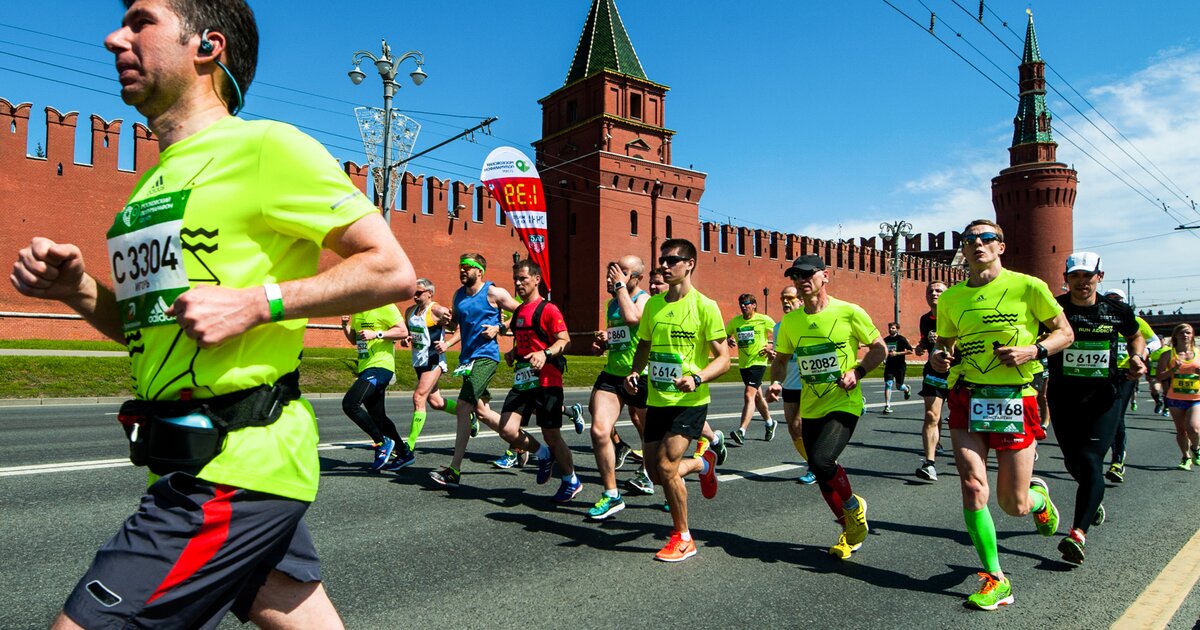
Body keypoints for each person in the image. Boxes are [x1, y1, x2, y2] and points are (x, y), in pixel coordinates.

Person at [10, 1, 416, 626]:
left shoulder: (267, 148)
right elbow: (150, 332)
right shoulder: (150, 188)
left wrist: (258, 303)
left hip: (235, 467)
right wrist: (77, 290)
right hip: (181, 457)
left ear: (208, 46)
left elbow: (391, 269)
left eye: (141, 21)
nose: (115, 38)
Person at [931, 219, 1073, 611]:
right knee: (974, 485)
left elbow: (1065, 333)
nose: (978, 244)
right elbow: (946, 344)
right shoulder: (951, 298)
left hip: (1014, 396)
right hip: (966, 395)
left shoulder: (1028, 286)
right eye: (970, 239)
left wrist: (1034, 351)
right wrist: (941, 357)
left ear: (1001, 246)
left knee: (1014, 505)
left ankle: (1039, 499)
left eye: (986, 238)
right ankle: (997, 578)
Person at [767, 255, 886, 560]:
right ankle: (850, 530)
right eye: (796, 276)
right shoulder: (791, 322)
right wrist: (776, 382)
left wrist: (857, 372)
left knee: (821, 460)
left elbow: (879, 348)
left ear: (825, 276)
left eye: (808, 274)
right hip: (812, 405)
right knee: (821, 474)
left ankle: (853, 509)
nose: (801, 280)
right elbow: (781, 359)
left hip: (844, 401)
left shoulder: (848, 312)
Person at [625, 238, 729, 561]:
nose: (665, 266)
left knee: (667, 465)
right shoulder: (654, 306)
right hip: (657, 400)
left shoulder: (705, 306)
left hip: (691, 401)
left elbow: (724, 359)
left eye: (672, 260)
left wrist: (697, 377)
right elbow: (643, 344)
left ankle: (683, 537)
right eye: (662, 261)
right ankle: (702, 462)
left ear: (689, 264)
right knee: (654, 472)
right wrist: (635, 371)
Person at [1046, 252, 1145, 565]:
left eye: (1088, 276)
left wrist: (1137, 357)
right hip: (1063, 396)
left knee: (1090, 460)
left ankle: (1078, 533)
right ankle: (1093, 495)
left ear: (1100, 276)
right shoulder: (1054, 309)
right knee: (1074, 462)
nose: (1081, 282)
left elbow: (1136, 336)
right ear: (1067, 278)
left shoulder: (1116, 310)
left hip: (1105, 395)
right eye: (1075, 276)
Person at [428, 253, 518, 488]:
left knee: (463, 406)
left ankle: (454, 470)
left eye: (467, 267)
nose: (462, 271)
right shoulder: (458, 295)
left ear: (480, 271)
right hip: (467, 360)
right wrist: (446, 320)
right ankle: (520, 444)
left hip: (486, 357)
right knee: (483, 413)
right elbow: (456, 325)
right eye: (460, 267)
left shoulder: (493, 292)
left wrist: (499, 327)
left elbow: (523, 312)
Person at [587, 256, 652, 519]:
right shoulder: (611, 303)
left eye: (622, 272)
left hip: (640, 374)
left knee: (653, 437)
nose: (613, 276)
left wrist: (620, 287)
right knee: (599, 429)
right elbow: (622, 334)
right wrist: (605, 342)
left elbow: (633, 318)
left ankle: (654, 474)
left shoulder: (644, 299)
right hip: (613, 375)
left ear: (636, 277)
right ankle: (611, 494)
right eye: (611, 272)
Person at [340, 305, 415, 471]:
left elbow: (403, 331)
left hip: (381, 367)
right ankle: (404, 453)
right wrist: (345, 325)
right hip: (365, 367)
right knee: (378, 417)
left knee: (350, 404)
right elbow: (355, 340)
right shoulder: (358, 310)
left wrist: (377, 334)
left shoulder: (386, 306)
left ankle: (382, 441)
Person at [1101, 288, 1160, 482]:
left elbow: (1155, 341)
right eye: (1109, 299)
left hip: (1126, 373)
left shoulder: (1136, 321)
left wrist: (1141, 355)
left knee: (1117, 416)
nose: (1113, 302)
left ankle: (1117, 460)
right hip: (1101, 373)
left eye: (1117, 299)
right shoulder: (1099, 318)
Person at [399, 278, 459, 452]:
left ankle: (409, 445)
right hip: (419, 361)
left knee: (418, 398)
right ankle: (468, 415)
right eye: (413, 293)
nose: (415, 296)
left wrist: (447, 342)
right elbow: (409, 333)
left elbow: (458, 328)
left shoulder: (438, 310)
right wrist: (406, 339)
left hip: (434, 360)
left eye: (418, 293)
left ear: (429, 293)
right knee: (436, 402)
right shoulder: (410, 311)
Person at [772, 285, 817, 484]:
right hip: (790, 384)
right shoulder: (779, 327)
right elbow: (781, 358)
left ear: (800, 299)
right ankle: (818, 463)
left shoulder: (810, 321)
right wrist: (775, 382)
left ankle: (816, 466)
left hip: (810, 384)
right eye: (782, 298)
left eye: (789, 298)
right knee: (793, 429)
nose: (785, 302)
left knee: (801, 425)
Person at [726, 294, 777, 443]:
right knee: (757, 396)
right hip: (744, 364)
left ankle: (741, 431)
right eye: (741, 303)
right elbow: (726, 334)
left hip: (758, 362)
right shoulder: (736, 322)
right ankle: (769, 423)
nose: (743, 306)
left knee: (749, 395)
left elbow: (781, 334)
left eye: (746, 303)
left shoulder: (763, 319)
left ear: (754, 305)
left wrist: (770, 345)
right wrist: (729, 339)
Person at [913, 280, 950, 481]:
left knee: (961, 418)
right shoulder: (925, 319)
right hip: (934, 372)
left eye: (939, 291)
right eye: (930, 291)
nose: (934, 294)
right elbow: (925, 341)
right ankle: (930, 463)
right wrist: (920, 348)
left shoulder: (955, 315)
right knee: (931, 415)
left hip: (957, 372)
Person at [1156, 323, 1200, 470]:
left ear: (1192, 335)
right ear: (1175, 336)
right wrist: (1173, 370)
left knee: (1193, 428)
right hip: (1175, 398)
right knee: (1181, 430)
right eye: (1181, 333)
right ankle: (1186, 457)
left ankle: (1195, 448)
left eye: (1188, 332)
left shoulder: (1199, 353)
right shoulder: (1168, 355)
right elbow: (1159, 376)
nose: (1185, 335)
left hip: (1196, 398)